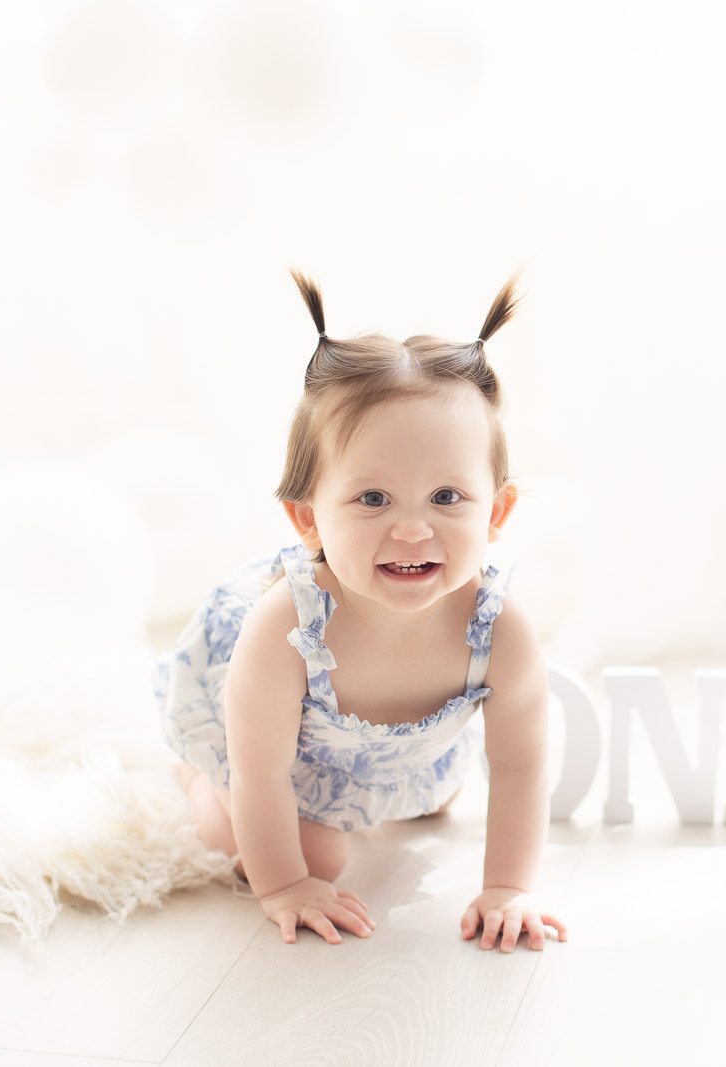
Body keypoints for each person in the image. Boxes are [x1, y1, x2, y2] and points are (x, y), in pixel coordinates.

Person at [154, 270, 567, 954]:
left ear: (496, 512)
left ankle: (392, 783)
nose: (411, 530)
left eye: (446, 497)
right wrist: (283, 884)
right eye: (373, 499)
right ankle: (197, 779)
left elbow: (520, 766)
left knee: (431, 800)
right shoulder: (284, 629)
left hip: (401, 757)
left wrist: (507, 887)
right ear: (307, 518)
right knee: (321, 856)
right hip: (271, 757)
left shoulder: (502, 628)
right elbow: (260, 775)